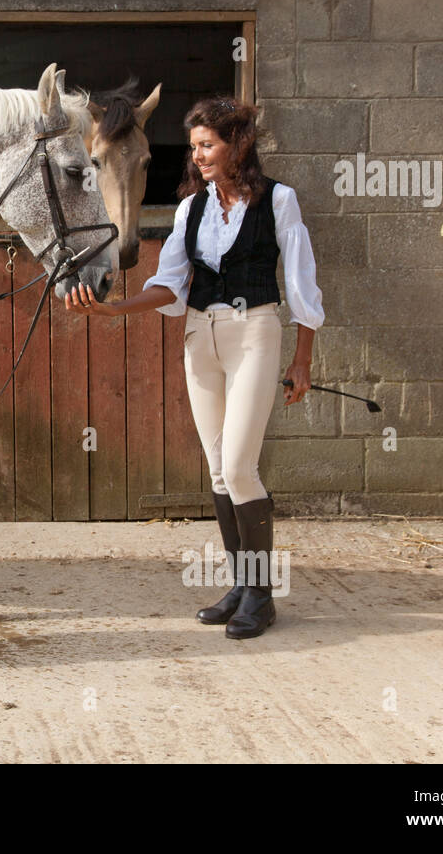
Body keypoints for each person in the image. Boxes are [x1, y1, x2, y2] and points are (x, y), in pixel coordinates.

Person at [66, 96, 323, 639]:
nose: (199, 156)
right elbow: (168, 285)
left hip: (254, 331)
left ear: (238, 146)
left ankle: (262, 596)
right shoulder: (191, 209)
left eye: (208, 145)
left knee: (238, 467)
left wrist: (303, 362)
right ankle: (240, 586)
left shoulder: (280, 201)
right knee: (215, 468)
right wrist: (111, 308)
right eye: (194, 147)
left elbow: (301, 287)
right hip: (198, 337)